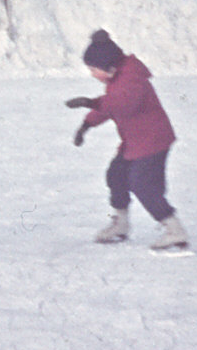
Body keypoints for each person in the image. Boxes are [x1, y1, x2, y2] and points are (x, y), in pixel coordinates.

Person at [65, 29, 188, 251]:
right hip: (135, 140)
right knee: (116, 175)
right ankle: (121, 224)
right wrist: (87, 124)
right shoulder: (119, 77)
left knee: (143, 185)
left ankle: (174, 229)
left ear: (109, 67)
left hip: (152, 141)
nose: (91, 73)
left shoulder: (132, 79)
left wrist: (90, 102)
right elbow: (111, 104)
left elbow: (121, 104)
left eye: (93, 69)